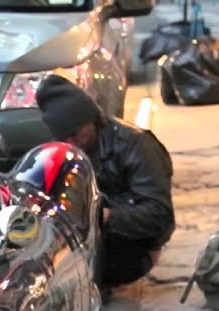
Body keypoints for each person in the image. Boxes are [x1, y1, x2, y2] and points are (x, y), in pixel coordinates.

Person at [35, 75, 176, 291]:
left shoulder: (135, 145)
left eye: (77, 133)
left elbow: (160, 216)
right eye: (65, 137)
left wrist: (106, 216)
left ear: (92, 119)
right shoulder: (62, 151)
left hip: (131, 244)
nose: (73, 142)